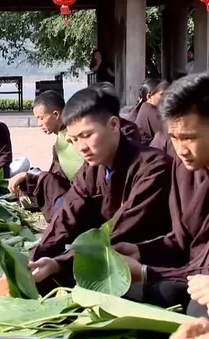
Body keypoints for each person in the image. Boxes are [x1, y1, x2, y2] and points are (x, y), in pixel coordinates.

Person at [28, 84, 173, 290]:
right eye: (74, 139)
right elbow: (66, 217)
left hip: (144, 259)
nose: (81, 148)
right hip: (107, 253)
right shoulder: (91, 170)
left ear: (114, 125)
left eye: (87, 136)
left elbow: (121, 229)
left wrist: (60, 263)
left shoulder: (153, 168)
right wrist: (36, 259)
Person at [114, 73, 209, 317]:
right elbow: (181, 240)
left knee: (196, 307)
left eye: (189, 138)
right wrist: (141, 252)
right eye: (174, 138)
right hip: (196, 277)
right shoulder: (184, 166)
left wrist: (146, 271)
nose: (181, 149)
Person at [8, 90, 81, 223]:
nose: (39, 124)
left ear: (55, 114)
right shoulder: (60, 140)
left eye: (41, 118)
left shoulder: (76, 136)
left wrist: (30, 177)